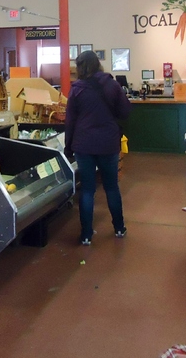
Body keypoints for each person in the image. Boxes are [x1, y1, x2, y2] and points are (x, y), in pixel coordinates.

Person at [65, 50, 132, 246]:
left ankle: (86, 235)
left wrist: (68, 148)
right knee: (111, 187)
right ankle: (119, 228)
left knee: (87, 190)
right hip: (108, 143)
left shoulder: (76, 89)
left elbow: (70, 122)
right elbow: (125, 111)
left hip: (83, 144)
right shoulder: (111, 85)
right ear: (98, 64)